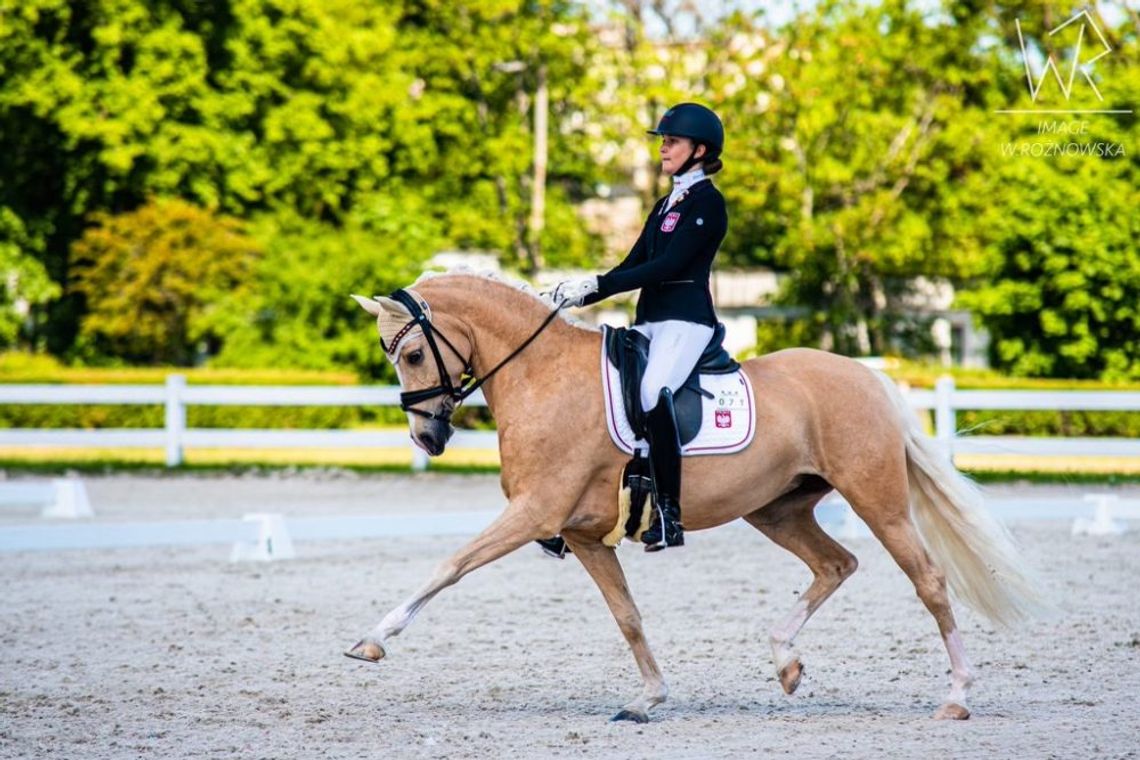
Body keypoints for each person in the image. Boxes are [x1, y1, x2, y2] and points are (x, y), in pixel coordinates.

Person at [550, 102, 728, 552]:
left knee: (652, 395)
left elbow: (668, 265)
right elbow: (634, 264)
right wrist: (581, 293)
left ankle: (669, 513)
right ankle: (586, 507)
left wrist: (601, 284)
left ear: (699, 150)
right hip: (650, 321)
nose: (663, 148)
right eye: (663, 141)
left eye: (672, 141)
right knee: (610, 395)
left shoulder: (708, 202)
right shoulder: (667, 202)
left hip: (686, 322)